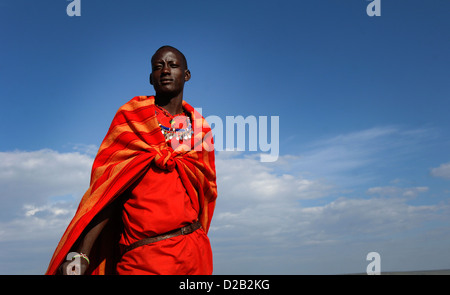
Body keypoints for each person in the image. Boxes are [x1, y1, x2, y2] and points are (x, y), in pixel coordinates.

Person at [45, 46, 218, 275]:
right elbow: (107, 194)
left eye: (173, 65)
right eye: (158, 67)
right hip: (143, 256)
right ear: (151, 78)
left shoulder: (200, 129)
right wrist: (82, 254)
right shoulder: (132, 119)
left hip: (195, 253)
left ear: (186, 75)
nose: (165, 70)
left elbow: (205, 193)